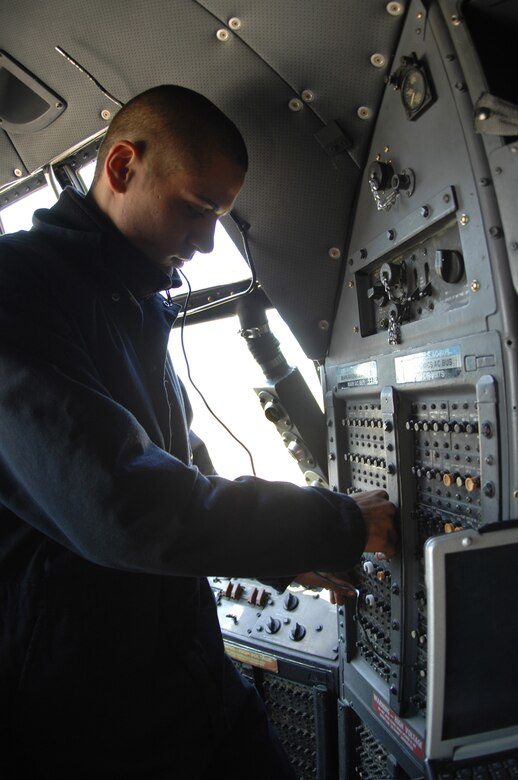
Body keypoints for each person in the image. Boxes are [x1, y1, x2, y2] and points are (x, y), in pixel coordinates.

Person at [0, 84, 397, 778]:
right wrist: (333, 524)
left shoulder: (132, 303)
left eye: (220, 217)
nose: (208, 242)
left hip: (191, 684)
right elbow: (121, 504)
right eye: (196, 207)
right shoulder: (18, 289)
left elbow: (183, 472)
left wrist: (282, 553)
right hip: (84, 723)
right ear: (122, 167)